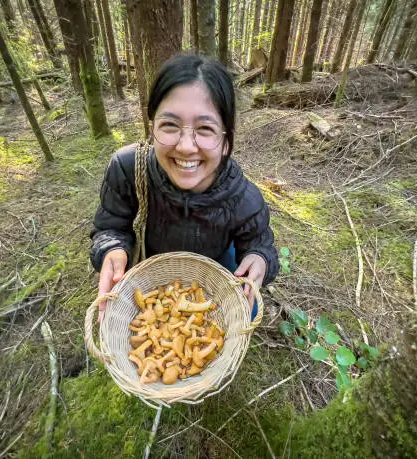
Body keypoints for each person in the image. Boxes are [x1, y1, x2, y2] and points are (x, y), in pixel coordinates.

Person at [90, 54, 279, 321]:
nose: (186, 146)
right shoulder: (129, 167)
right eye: (169, 125)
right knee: (124, 311)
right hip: (151, 260)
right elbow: (110, 227)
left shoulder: (244, 198)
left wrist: (260, 258)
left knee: (250, 308)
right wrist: (112, 249)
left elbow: (262, 246)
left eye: (205, 128)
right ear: (152, 126)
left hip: (214, 262)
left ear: (226, 141)